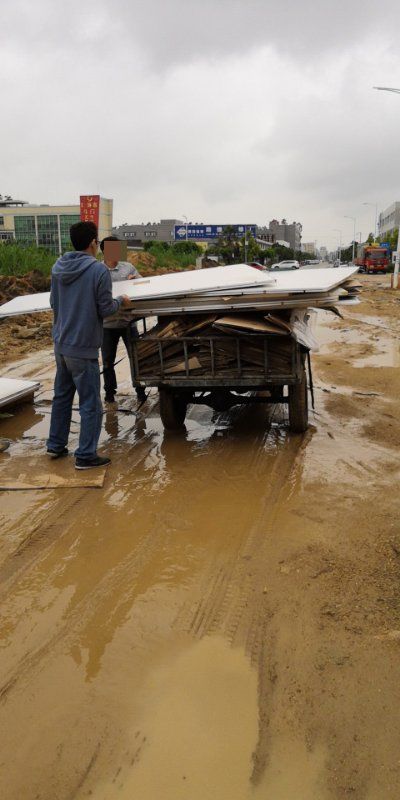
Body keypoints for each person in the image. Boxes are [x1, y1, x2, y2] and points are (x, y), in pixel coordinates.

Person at [46, 221, 130, 469]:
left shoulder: (57, 267)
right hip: (83, 348)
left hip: (61, 344)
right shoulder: (98, 271)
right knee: (91, 403)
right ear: (94, 243)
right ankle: (85, 456)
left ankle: (56, 445)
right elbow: (105, 308)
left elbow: (53, 302)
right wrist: (120, 301)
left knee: (61, 397)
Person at [100, 235, 146, 404]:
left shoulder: (128, 268)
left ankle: (140, 391)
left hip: (128, 322)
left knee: (135, 358)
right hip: (107, 324)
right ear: (104, 250)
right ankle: (109, 393)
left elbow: (145, 284)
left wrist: (135, 282)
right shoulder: (98, 270)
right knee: (107, 362)